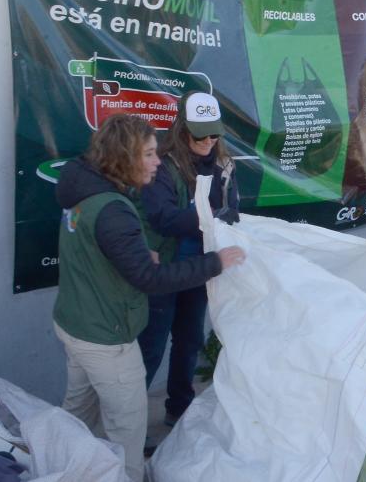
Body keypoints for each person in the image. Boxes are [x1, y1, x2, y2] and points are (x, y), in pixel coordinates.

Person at [53, 114, 244, 481]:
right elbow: (150, 279)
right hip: (105, 336)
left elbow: (95, 256)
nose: (158, 162)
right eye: (150, 154)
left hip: (73, 323)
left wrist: (138, 256)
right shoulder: (113, 210)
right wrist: (214, 263)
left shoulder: (84, 192)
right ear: (125, 156)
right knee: (127, 429)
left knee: (77, 410)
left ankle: (60, 463)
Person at [137, 91, 240, 427]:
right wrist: (206, 216)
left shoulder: (224, 164)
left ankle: (179, 408)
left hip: (202, 265)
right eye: (200, 133)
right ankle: (128, 422)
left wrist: (220, 218)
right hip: (165, 267)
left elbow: (233, 211)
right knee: (151, 343)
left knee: (190, 338)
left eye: (214, 133)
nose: (209, 140)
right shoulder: (162, 164)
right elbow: (162, 218)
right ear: (182, 129)